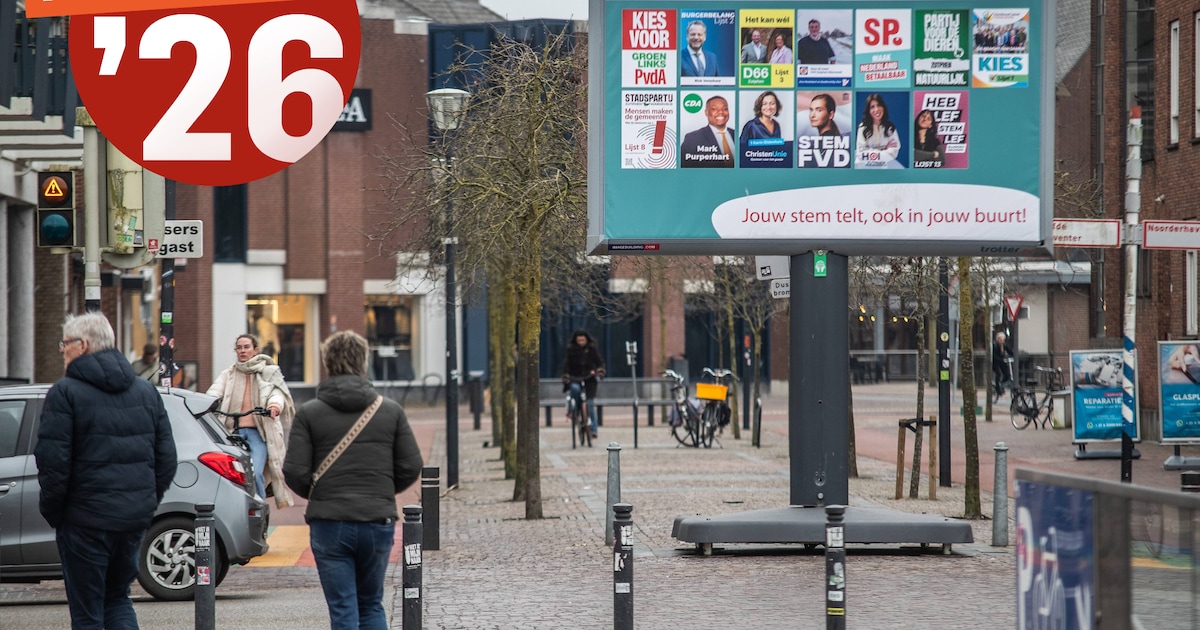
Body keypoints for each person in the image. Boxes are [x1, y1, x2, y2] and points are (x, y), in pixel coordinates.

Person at [35, 312, 177, 629]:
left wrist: (56, 513)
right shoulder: (145, 391)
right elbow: (167, 459)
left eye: (65, 344)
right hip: (131, 519)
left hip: (84, 520)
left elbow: (52, 462)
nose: (62, 350)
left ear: (82, 345)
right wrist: (144, 502)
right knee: (118, 599)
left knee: (87, 613)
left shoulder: (65, 392)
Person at [284, 331, 423, 630]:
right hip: (377, 519)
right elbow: (411, 465)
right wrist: (382, 489)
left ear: (327, 362)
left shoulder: (309, 413)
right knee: (372, 603)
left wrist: (322, 492)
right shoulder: (390, 410)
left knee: (343, 608)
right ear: (364, 362)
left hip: (329, 522)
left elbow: (294, 471)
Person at [208, 333, 295, 506]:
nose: (242, 351)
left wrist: (274, 407)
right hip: (233, 433)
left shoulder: (268, 371)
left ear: (255, 350)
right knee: (231, 474)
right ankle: (234, 508)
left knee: (255, 472)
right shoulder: (229, 374)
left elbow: (277, 393)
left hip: (258, 433)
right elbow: (214, 392)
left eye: (246, 347)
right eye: (239, 347)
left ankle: (259, 509)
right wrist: (207, 403)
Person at [561, 329, 605, 438]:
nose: (581, 342)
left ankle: (594, 430)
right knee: (575, 389)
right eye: (579, 340)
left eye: (583, 340)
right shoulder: (571, 350)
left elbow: (599, 362)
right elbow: (566, 365)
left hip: (589, 379)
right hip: (575, 378)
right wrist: (566, 375)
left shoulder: (591, 349)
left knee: (590, 403)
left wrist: (600, 370)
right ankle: (573, 410)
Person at [680, 95, 735, 168]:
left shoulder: (737, 135)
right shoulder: (692, 138)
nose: (721, 112)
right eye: (714, 109)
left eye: (725, 109)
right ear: (706, 112)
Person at [855, 93, 900, 164]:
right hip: (863, 168)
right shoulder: (863, 127)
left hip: (882, 168)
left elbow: (894, 152)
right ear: (868, 111)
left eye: (879, 105)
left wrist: (871, 152)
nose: (876, 109)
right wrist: (883, 150)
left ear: (883, 107)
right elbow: (861, 154)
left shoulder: (890, 127)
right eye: (872, 107)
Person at [992, 332, 1014, 401]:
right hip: (995, 363)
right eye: (1000, 340)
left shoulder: (1004, 345)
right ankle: (997, 388)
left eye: (1003, 340)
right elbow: (994, 356)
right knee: (998, 374)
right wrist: (1002, 360)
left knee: (1007, 374)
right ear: (997, 339)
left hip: (1002, 362)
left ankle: (1001, 385)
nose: (1002, 341)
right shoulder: (994, 346)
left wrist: (1015, 355)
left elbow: (1010, 351)